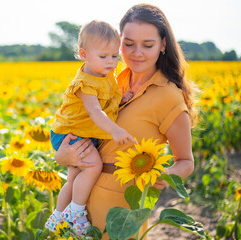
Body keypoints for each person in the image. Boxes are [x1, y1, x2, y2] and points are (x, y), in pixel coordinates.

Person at [53, 4, 197, 240]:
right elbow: (78, 128)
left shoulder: (169, 96)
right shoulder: (109, 79)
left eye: (148, 45)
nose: (136, 52)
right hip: (79, 199)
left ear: (163, 44)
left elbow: (186, 162)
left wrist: (164, 174)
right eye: (128, 44)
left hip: (121, 206)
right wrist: (62, 156)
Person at [45, 20, 137, 236]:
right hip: (69, 133)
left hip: (80, 132)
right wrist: (114, 130)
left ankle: (57, 216)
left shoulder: (104, 76)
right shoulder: (85, 84)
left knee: (74, 178)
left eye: (114, 56)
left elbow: (105, 101)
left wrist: (120, 99)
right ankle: (76, 213)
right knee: (93, 165)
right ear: (84, 54)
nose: (111, 62)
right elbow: (96, 112)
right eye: (103, 57)